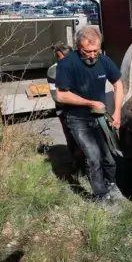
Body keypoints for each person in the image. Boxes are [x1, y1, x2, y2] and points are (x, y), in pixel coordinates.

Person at [55, 27, 124, 203]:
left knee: (109, 157)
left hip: (100, 117)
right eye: (88, 51)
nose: (93, 55)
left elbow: (118, 84)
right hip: (78, 118)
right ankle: (100, 197)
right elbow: (61, 95)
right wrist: (89, 103)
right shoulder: (67, 64)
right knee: (94, 157)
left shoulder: (104, 61)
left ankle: (110, 186)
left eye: (96, 51)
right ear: (79, 47)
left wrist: (117, 112)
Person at [47, 43, 84, 173]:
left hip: (84, 109)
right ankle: (77, 163)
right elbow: (56, 97)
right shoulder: (53, 71)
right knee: (72, 138)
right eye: (61, 59)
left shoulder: (81, 66)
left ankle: (89, 165)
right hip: (65, 110)